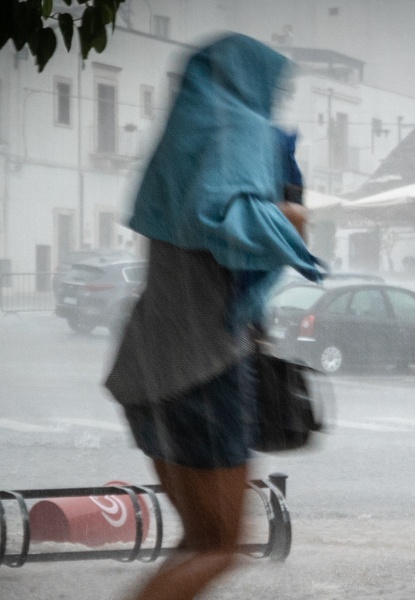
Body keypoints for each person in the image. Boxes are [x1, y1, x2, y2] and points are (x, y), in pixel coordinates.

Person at [104, 33, 322, 600]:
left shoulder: (186, 131)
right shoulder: (239, 129)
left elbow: (191, 217)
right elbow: (232, 222)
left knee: (196, 539)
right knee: (220, 547)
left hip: (146, 362)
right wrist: (293, 215)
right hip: (205, 366)